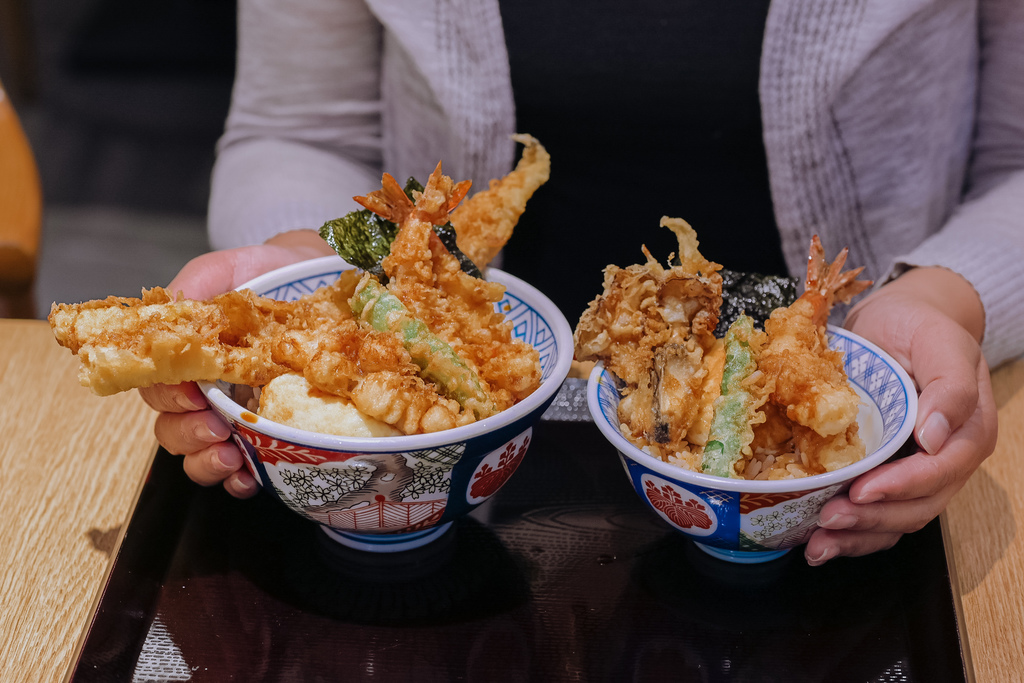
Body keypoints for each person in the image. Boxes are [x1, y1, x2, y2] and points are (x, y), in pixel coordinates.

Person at [139, 0, 1021, 566]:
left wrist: (943, 294)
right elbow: (294, 126)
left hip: (848, 442)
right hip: (449, 464)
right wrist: (305, 266)